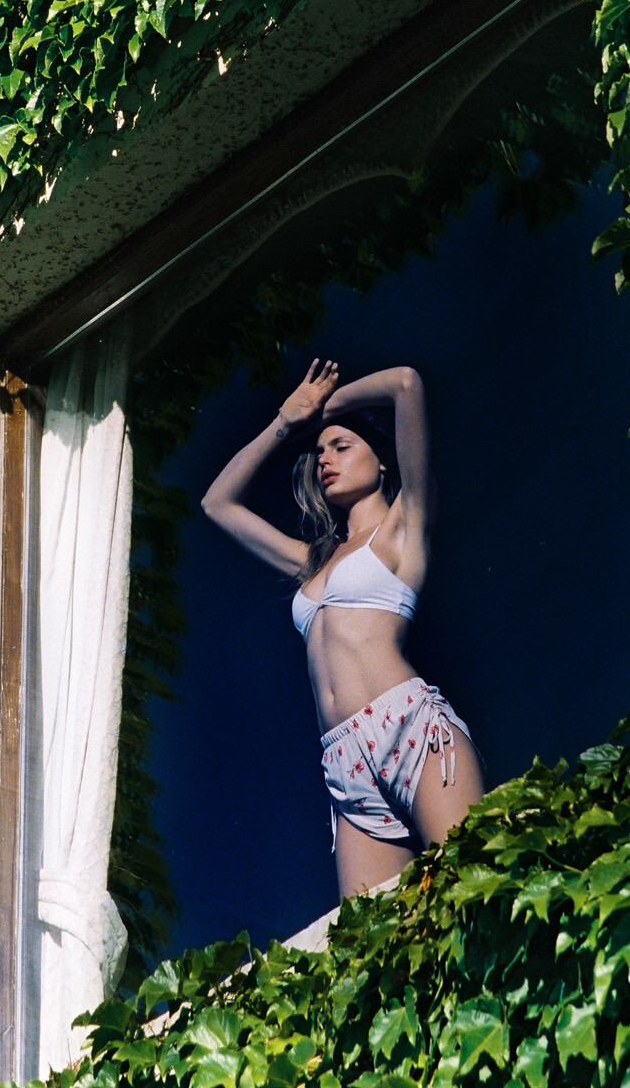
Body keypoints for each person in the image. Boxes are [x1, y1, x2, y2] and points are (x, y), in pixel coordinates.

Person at [201, 359, 484, 897]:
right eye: (319, 452)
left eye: (342, 446)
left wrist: (323, 409)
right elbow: (218, 504)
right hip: (343, 759)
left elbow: (405, 383)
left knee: (469, 889)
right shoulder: (312, 561)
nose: (325, 460)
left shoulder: (404, 524)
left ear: (383, 461)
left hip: (411, 728)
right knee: (369, 937)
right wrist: (285, 422)